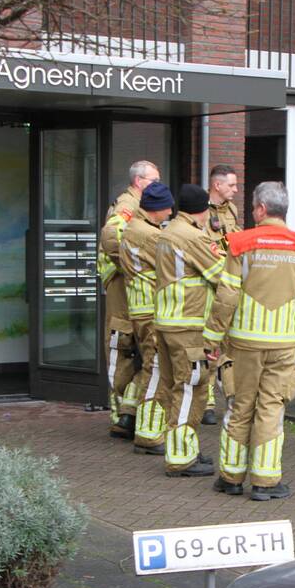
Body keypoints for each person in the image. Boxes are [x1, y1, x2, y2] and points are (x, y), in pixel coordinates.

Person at [203, 181, 295, 501]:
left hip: (244, 342)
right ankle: (265, 482)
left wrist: (213, 337)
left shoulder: (241, 243)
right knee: (272, 408)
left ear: (260, 209)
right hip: (283, 344)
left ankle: (230, 478)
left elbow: (226, 295)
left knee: (240, 405)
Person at [155, 184, 226, 477]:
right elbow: (221, 274)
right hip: (188, 324)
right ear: (204, 209)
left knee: (175, 389)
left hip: (167, 321)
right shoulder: (194, 237)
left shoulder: (167, 231)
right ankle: (181, 457)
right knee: (191, 390)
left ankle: (183, 449)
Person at [97, 160, 160, 439]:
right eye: (153, 180)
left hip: (130, 289)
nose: (157, 185)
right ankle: (119, 416)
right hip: (121, 287)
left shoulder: (139, 205)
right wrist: (130, 265)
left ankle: (127, 414)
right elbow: (111, 236)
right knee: (122, 346)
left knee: (135, 348)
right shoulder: (128, 204)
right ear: (139, 182)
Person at [119, 181, 173, 455]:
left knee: (145, 365)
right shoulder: (151, 236)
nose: (170, 214)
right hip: (151, 308)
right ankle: (149, 433)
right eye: (167, 209)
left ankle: (129, 416)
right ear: (157, 209)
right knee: (156, 368)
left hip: (139, 306)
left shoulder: (134, 227)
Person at [201, 164, 242, 425]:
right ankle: (205, 403)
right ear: (217, 185)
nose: (236, 190)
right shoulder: (201, 213)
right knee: (208, 346)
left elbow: (233, 242)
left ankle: (231, 397)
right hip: (209, 288)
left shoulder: (232, 211)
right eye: (231, 185)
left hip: (229, 285)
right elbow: (204, 252)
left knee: (229, 347)